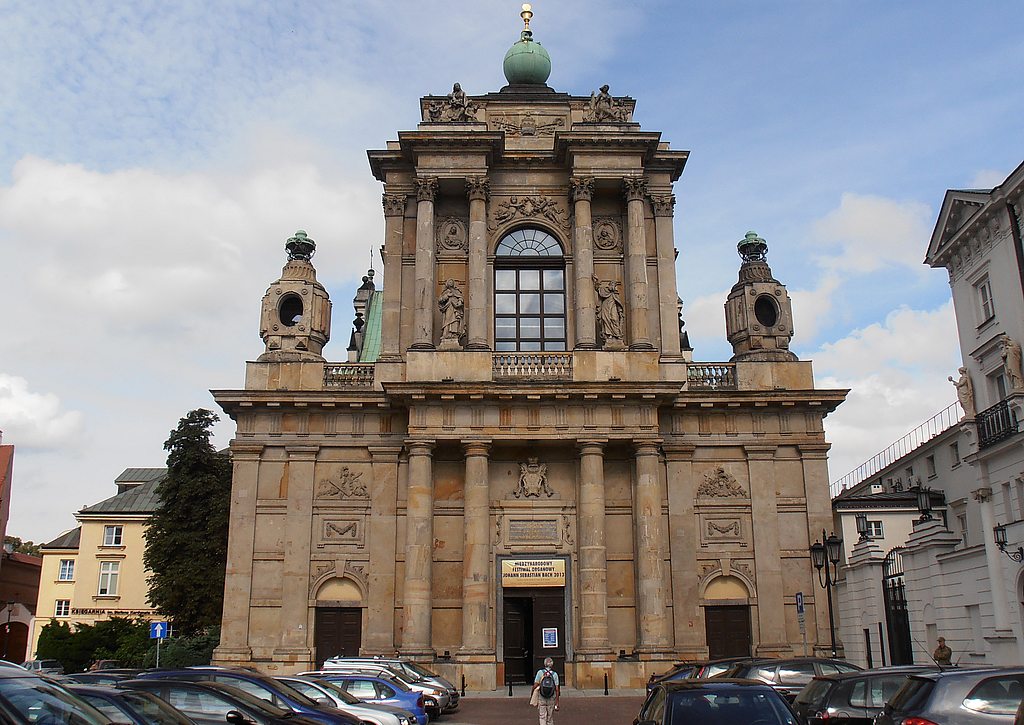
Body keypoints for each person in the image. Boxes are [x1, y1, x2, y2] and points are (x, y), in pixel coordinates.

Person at [531, 657, 560, 725]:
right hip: (551, 697)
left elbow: (535, 685)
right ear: (552, 665)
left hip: (542, 696)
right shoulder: (555, 674)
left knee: (542, 716)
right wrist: (557, 702)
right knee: (550, 717)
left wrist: (532, 692)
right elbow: (557, 689)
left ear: (544, 664)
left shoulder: (540, 672)